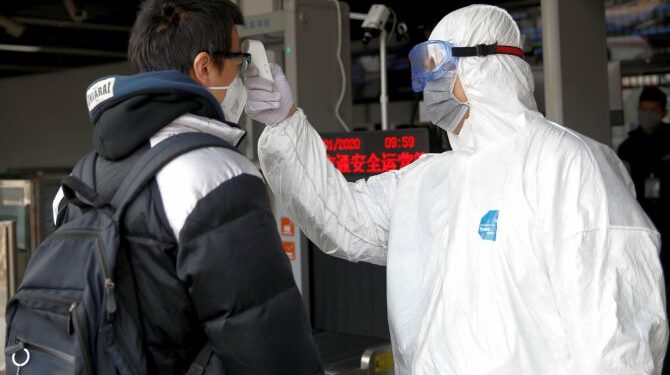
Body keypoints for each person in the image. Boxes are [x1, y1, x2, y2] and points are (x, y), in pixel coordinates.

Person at [245, 4, 668, 374]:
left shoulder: (569, 167)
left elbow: (616, 337)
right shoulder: (426, 179)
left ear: (485, 67)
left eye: (437, 64)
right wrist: (285, 125)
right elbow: (342, 218)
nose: (427, 83)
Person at [52, 0, 322, 374]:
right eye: (239, 60)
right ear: (205, 67)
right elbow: (266, 341)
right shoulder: (217, 174)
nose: (244, 73)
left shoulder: (80, 178)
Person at [618, 86, 670, 283]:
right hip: (641, 218)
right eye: (644, 110)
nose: (648, 115)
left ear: (663, 112)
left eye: (653, 111)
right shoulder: (628, 147)